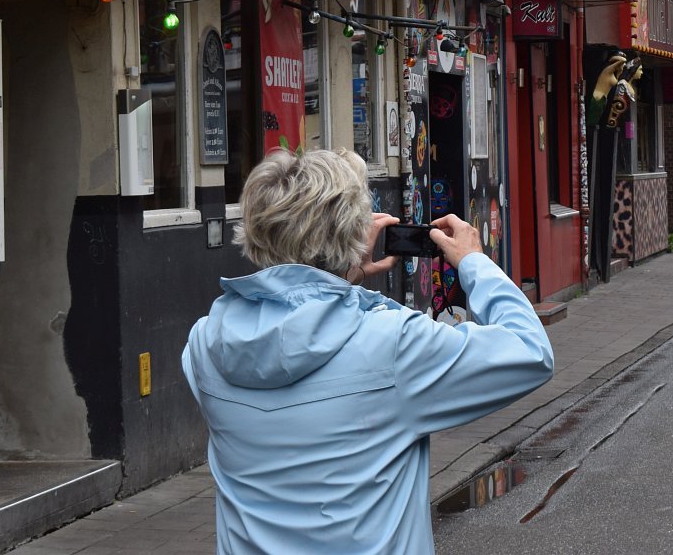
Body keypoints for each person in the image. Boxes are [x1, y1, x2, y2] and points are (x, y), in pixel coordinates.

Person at [183, 149, 554, 554]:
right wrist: (474, 263)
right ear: (351, 233)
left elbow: (295, 331)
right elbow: (530, 351)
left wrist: (342, 280)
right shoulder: (395, 345)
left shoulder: (206, 343)